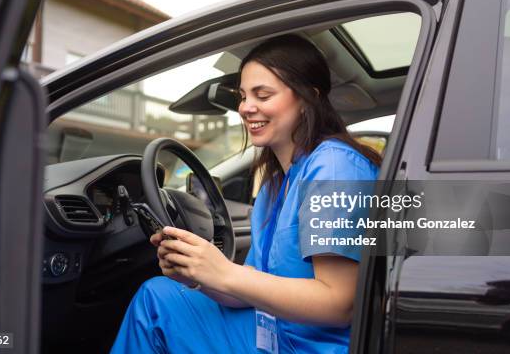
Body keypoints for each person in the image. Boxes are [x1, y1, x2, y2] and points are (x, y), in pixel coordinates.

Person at [111, 34, 381, 353]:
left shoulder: (335, 168)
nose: (246, 108)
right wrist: (199, 275)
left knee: (157, 304)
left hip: (311, 346)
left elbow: (340, 305)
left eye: (262, 95)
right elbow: (255, 282)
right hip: (276, 330)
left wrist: (224, 273)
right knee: (159, 295)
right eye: (243, 96)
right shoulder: (275, 184)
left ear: (308, 98)